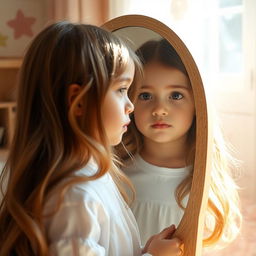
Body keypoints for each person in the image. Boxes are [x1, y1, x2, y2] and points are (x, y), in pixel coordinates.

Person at [0, 22, 182, 256]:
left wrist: (141, 251)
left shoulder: (92, 175)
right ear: (80, 100)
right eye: (121, 90)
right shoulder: (74, 196)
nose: (131, 105)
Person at [117, 39, 242, 249]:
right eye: (145, 95)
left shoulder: (204, 179)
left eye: (175, 95)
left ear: (197, 104)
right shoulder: (117, 171)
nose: (160, 109)